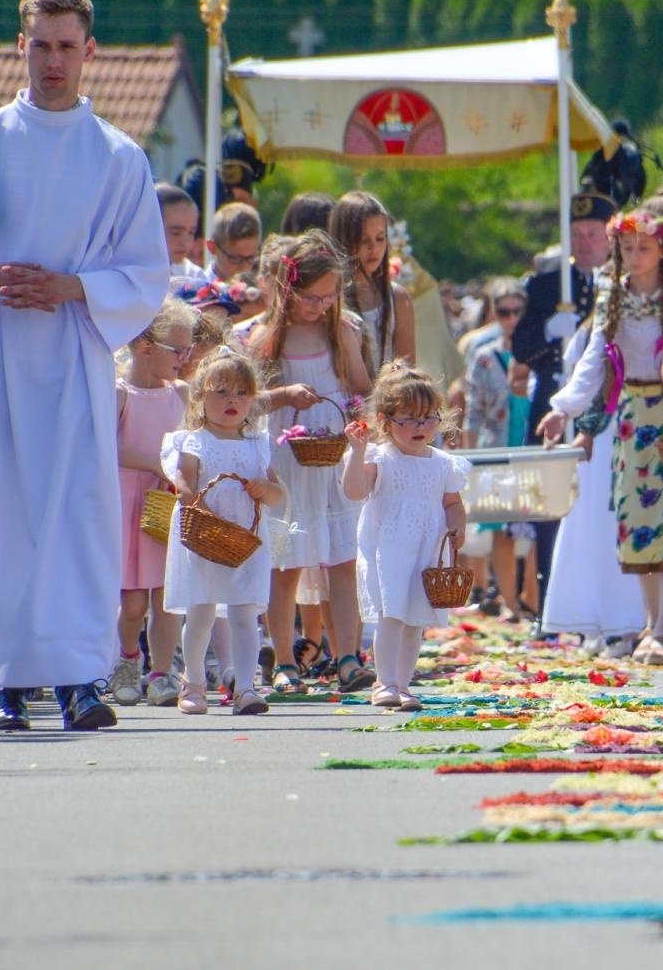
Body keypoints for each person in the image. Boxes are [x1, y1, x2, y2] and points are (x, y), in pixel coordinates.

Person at [0, 0, 170, 732]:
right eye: (40, 44)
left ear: (90, 52)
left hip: (74, 351)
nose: (53, 60)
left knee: (76, 513)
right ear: (20, 46)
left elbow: (146, 271)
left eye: (66, 46)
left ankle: (80, 677)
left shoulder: (118, 158)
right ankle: (4, 680)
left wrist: (73, 288)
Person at [539, 209, 663, 665]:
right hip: (630, 412)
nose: (635, 255)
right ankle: (650, 623)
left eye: (644, 247)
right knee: (637, 519)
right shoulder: (615, 298)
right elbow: (594, 360)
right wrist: (562, 407)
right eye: (627, 248)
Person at [247, 230, 376, 694]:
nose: (320, 305)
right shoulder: (266, 338)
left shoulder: (341, 330)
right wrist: (284, 394)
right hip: (288, 458)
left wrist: (362, 423)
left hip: (334, 455)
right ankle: (284, 659)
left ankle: (347, 655)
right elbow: (247, 401)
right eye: (311, 297)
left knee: (343, 559)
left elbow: (361, 388)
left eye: (328, 297)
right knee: (287, 565)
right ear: (288, 290)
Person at [162, 348, 285, 715]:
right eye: (221, 392)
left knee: (245, 614)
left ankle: (246, 686)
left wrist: (265, 489)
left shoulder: (257, 445)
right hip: (205, 537)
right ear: (200, 397)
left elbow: (280, 495)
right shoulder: (193, 440)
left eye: (241, 393)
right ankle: (194, 678)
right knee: (201, 612)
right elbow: (183, 475)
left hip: (244, 542)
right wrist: (186, 493)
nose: (232, 400)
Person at [510, 187, 616, 611]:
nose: (586, 242)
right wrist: (550, 332)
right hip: (553, 402)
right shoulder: (547, 284)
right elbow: (521, 348)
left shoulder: (619, 283)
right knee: (550, 505)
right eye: (578, 233)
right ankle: (549, 600)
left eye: (594, 233)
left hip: (602, 408)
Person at [343, 361, 471, 710]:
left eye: (429, 417)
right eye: (410, 419)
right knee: (392, 615)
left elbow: (453, 503)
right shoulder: (380, 459)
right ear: (385, 422)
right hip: (390, 550)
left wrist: (458, 526)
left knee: (416, 620)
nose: (422, 426)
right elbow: (354, 491)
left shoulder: (443, 463)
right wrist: (356, 452)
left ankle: (403, 683)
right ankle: (384, 682)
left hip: (427, 549)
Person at [111, 297, 197, 707]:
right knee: (132, 602)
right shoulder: (120, 394)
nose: (186, 357)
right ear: (146, 348)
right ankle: (128, 659)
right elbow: (106, 450)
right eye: (178, 350)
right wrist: (156, 464)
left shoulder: (180, 393)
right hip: (129, 504)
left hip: (167, 503)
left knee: (168, 595)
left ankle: (162, 672)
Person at [460, 277, 533, 621]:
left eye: (518, 311)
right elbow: (473, 409)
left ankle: (533, 597)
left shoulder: (539, 352)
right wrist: (467, 456)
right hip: (496, 445)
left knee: (534, 523)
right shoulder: (485, 357)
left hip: (530, 444)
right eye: (504, 311)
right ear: (494, 313)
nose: (511, 318)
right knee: (500, 529)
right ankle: (510, 602)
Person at [330, 190, 416, 372]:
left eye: (380, 239)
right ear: (344, 241)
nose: (374, 248)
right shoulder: (328, 299)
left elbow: (406, 370)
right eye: (363, 240)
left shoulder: (398, 298)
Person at [157, 181, 201, 277]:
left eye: (191, 232)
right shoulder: (121, 275)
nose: (186, 243)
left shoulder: (193, 276)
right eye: (176, 233)